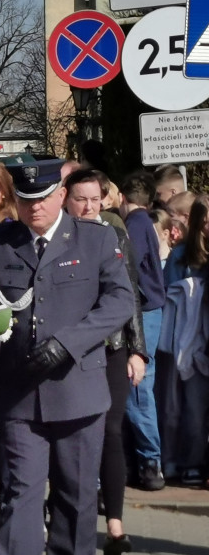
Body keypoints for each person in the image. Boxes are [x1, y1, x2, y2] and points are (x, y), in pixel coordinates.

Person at [0, 159, 132, 555]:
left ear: (61, 196)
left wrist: (68, 344)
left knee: (76, 493)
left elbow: (121, 301)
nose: (34, 208)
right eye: (24, 200)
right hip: (20, 392)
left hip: (78, 389)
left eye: (42, 199)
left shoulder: (96, 238)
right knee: (21, 490)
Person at [63, 169, 147, 555]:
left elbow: (129, 295)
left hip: (112, 347)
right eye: (82, 198)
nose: (89, 206)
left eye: (96, 199)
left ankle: (114, 523)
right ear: (66, 199)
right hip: (68, 350)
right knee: (68, 433)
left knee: (111, 430)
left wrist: (137, 351)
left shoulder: (113, 235)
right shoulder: (59, 237)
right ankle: (61, 510)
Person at [117, 171, 167, 491]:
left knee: (137, 389)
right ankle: (144, 460)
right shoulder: (146, 221)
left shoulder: (134, 225)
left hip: (144, 312)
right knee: (140, 388)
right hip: (152, 311)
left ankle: (150, 461)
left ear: (122, 198)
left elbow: (126, 267)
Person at [157, 194, 209, 485]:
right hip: (188, 341)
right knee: (186, 406)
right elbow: (167, 295)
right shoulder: (181, 257)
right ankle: (183, 461)